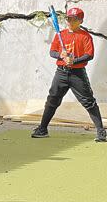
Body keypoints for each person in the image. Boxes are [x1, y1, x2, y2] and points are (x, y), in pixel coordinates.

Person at [31, 7, 106, 141]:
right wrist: (61, 55)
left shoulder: (85, 36)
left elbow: (90, 55)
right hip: (61, 73)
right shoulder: (61, 34)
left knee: (89, 102)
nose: (70, 21)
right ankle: (42, 129)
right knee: (52, 100)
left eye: (74, 19)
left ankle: (101, 132)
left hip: (77, 74)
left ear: (80, 21)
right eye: (68, 18)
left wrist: (74, 60)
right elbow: (52, 52)